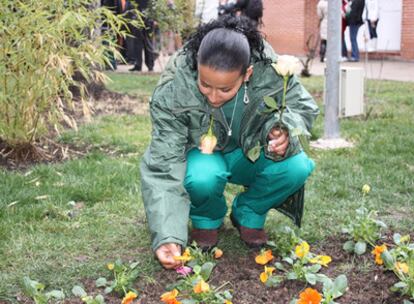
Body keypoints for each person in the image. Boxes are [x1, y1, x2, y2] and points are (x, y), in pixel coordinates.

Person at [140, 15, 319, 269]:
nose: (213, 97)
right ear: (196, 67)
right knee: (202, 176)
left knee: (297, 166)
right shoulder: (175, 86)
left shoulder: (269, 69)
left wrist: (285, 130)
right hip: (202, 158)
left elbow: (303, 106)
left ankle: (248, 212)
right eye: (205, 85)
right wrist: (167, 236)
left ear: (247, 74)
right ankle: (206, 218)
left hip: (251, 154)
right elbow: (163, 163)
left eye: (224, 90)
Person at [128, 0, 156, 72]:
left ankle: (149, 65)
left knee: (147, 42)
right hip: (138, 17)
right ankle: (139, 65)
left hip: (147, 17)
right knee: (138, 43)